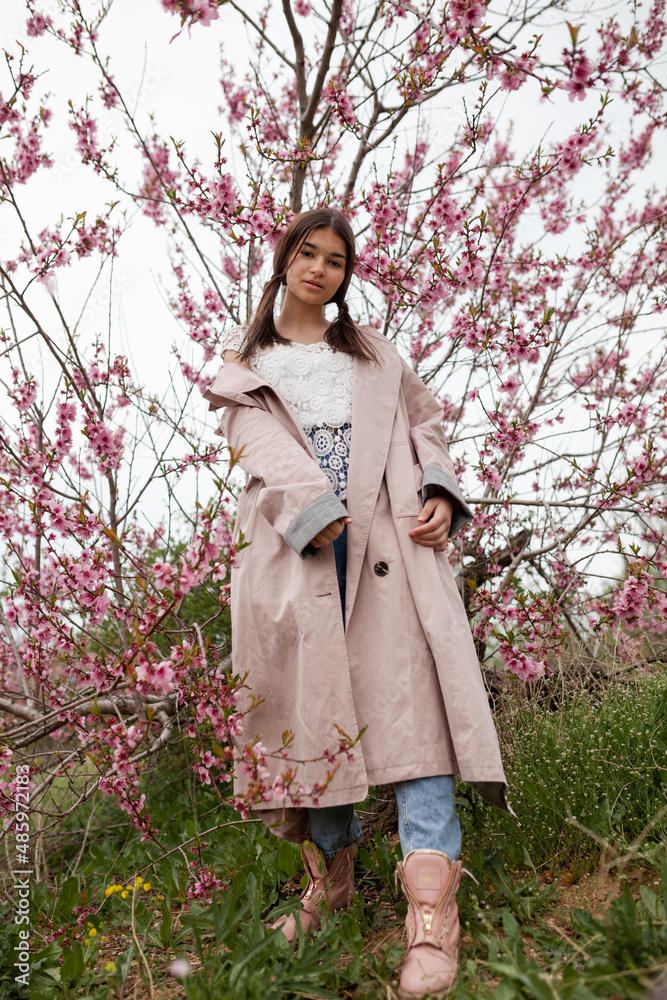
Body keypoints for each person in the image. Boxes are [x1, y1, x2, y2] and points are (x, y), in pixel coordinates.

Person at [203, 207, 511, 999]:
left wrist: (440, 490)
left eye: (335, 260)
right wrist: (314, 507)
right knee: (316, 722)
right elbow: (261, 451)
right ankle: (331, 883)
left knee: (414, 713)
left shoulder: (374, 354)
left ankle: (431, 916)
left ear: (346, 275)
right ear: (283, 261)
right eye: (306, 253)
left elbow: (425, 425)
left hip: (391, 546)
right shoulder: (244, 365)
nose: (319, 269)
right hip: (298, 554)